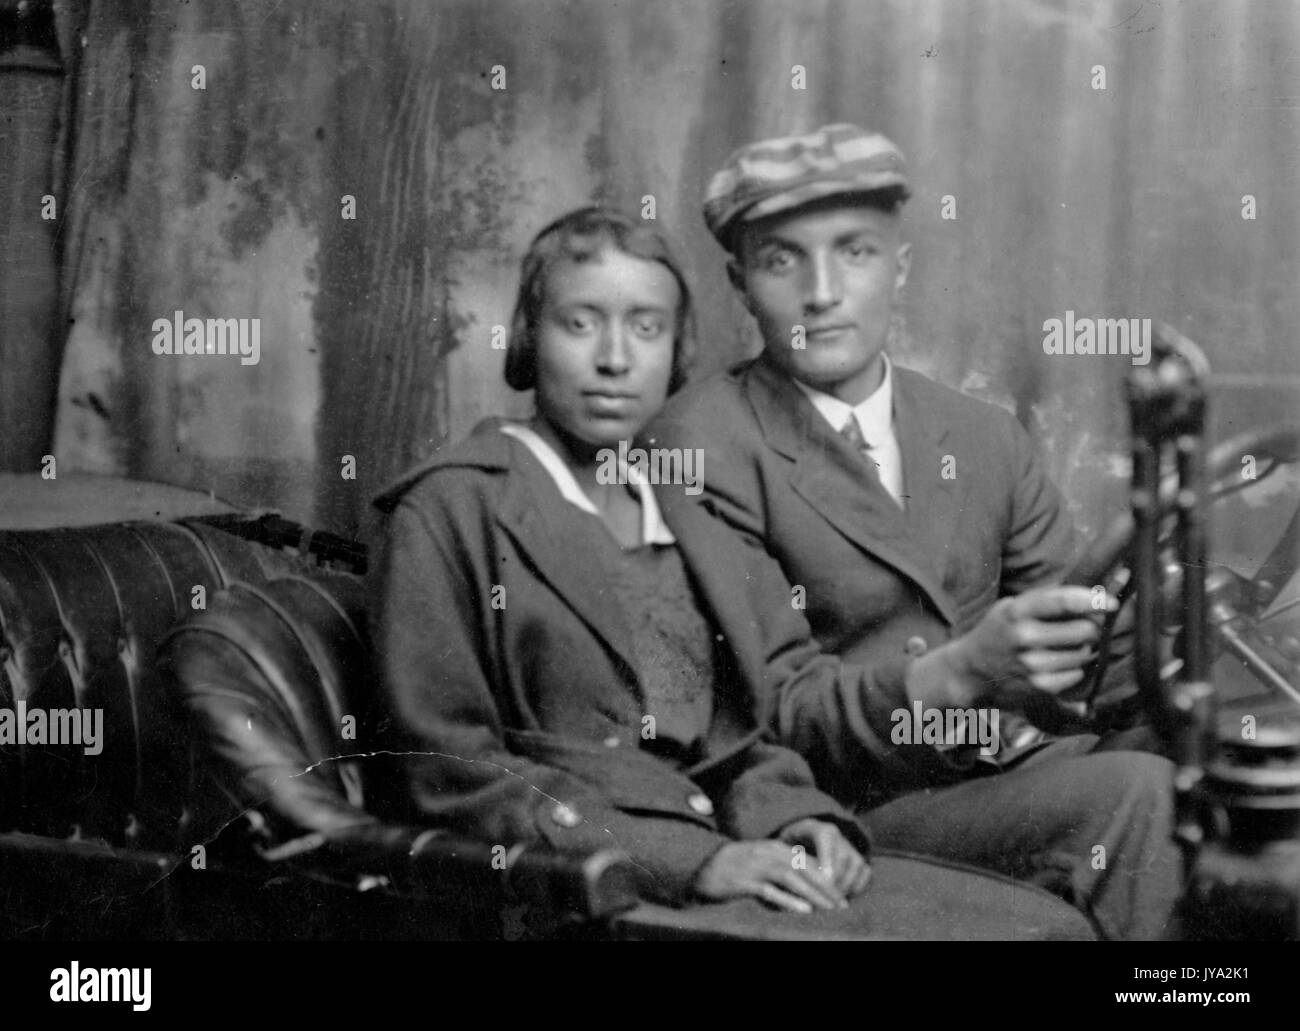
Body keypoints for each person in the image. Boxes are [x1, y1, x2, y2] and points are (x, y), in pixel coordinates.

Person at [366, 206, 1127, 937]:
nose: (614, 358)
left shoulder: (676, 507)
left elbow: (737, 730)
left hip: (728, 851)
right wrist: (696, 861)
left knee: (1048, 929)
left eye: (646, 327)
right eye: (579, 322)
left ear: (676, 351)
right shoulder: (452, 507)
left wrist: (800, 818)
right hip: (583, 888)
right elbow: (446, 771)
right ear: (530, 336)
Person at [647, 125, 1182, 939]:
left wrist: (1166, 641)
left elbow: (1081, 657)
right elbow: (770, 713)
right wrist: (963, 671)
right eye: (782, 259)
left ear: (900, 267)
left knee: (1226, 767)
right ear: (739, 283)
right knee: (1141, 792)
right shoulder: (698, 446)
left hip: (1014, 765)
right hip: (853, 814)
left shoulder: (981, 434)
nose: (822, 291)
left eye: (854, 252)